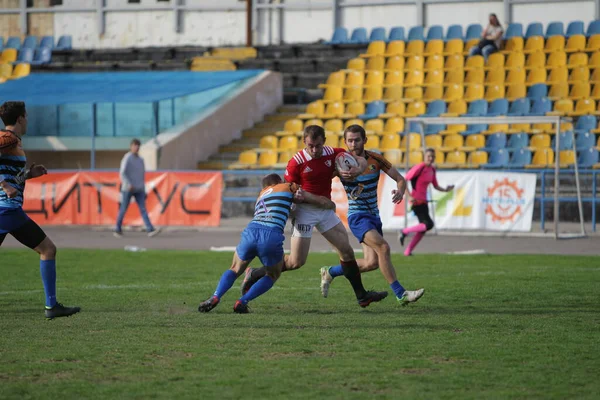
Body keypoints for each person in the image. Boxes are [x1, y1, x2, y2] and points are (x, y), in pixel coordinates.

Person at [241, 125, 388, 307]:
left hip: (325, 212)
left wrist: (358, 170)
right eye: (311, 145)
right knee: (296, 262)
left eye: (318, 145)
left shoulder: (333, 153)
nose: (315, 150)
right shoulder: (296, 162)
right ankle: (254, 273)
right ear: (304, 142)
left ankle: (362, 296)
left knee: (347, 252)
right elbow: (288, 191)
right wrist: (311, 201)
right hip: (305, 212)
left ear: (324, 142)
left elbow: (361, 160)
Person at [198, 173, 336, 313]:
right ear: (278, 182)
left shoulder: (261, 195)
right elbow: (309, 198)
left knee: (234, 269)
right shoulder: (288, 186)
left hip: (251, 231)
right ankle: (242, 301)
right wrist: (329, 204)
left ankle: (215, 296)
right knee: (272, 274)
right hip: (270, 235)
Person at [320, 125, 425, 305]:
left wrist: (400, 191)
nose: (353, 144)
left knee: (371, 263)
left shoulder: (375, 159)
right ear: (345, 142)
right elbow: (320, 180)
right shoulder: (340, 164)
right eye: (350, 140)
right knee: (384, 247)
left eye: (357, 140)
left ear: (365, 140)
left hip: (374, 217)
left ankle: (331, 271)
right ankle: (401, 294)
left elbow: (401, 179)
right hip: (357, 216)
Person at [0, 101, 80, 320]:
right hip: (6, 211)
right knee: (48, 249)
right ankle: (51, 306)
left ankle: (51, 306)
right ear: (19, 119)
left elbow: (9, 173)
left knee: (47, 250)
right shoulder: (8, 139)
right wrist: (4, 185)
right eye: (26, 116)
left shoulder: (14, 141)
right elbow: (5, 180)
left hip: (6, 211)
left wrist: (28, 175)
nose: (28, 120)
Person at [398, 148, 454, 256]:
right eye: (429, 156)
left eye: (433, 157)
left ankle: (407, 251)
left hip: (424, 201)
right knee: (428, 224)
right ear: (424, 157)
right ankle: (404, 231)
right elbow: (404, 180)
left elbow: (435, 185)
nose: (431, 158)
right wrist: (409, 196)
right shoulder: (420, 167)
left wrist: (446, 190)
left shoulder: (432, 170)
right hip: (416, 200)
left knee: (423, 228)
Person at [114, 138, 160, 238]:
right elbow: (122, 173)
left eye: (138, 145)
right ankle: (117, 228)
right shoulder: (127, 158)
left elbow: (141, 175)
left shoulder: (141, 160)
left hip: (139, 188)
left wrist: (143, 189)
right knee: (123, 208)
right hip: (128, 188)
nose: (136, 147)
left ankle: (150, 229)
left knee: (143, 208)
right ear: (131, 146)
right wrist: (128, 184)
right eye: (134, 145)